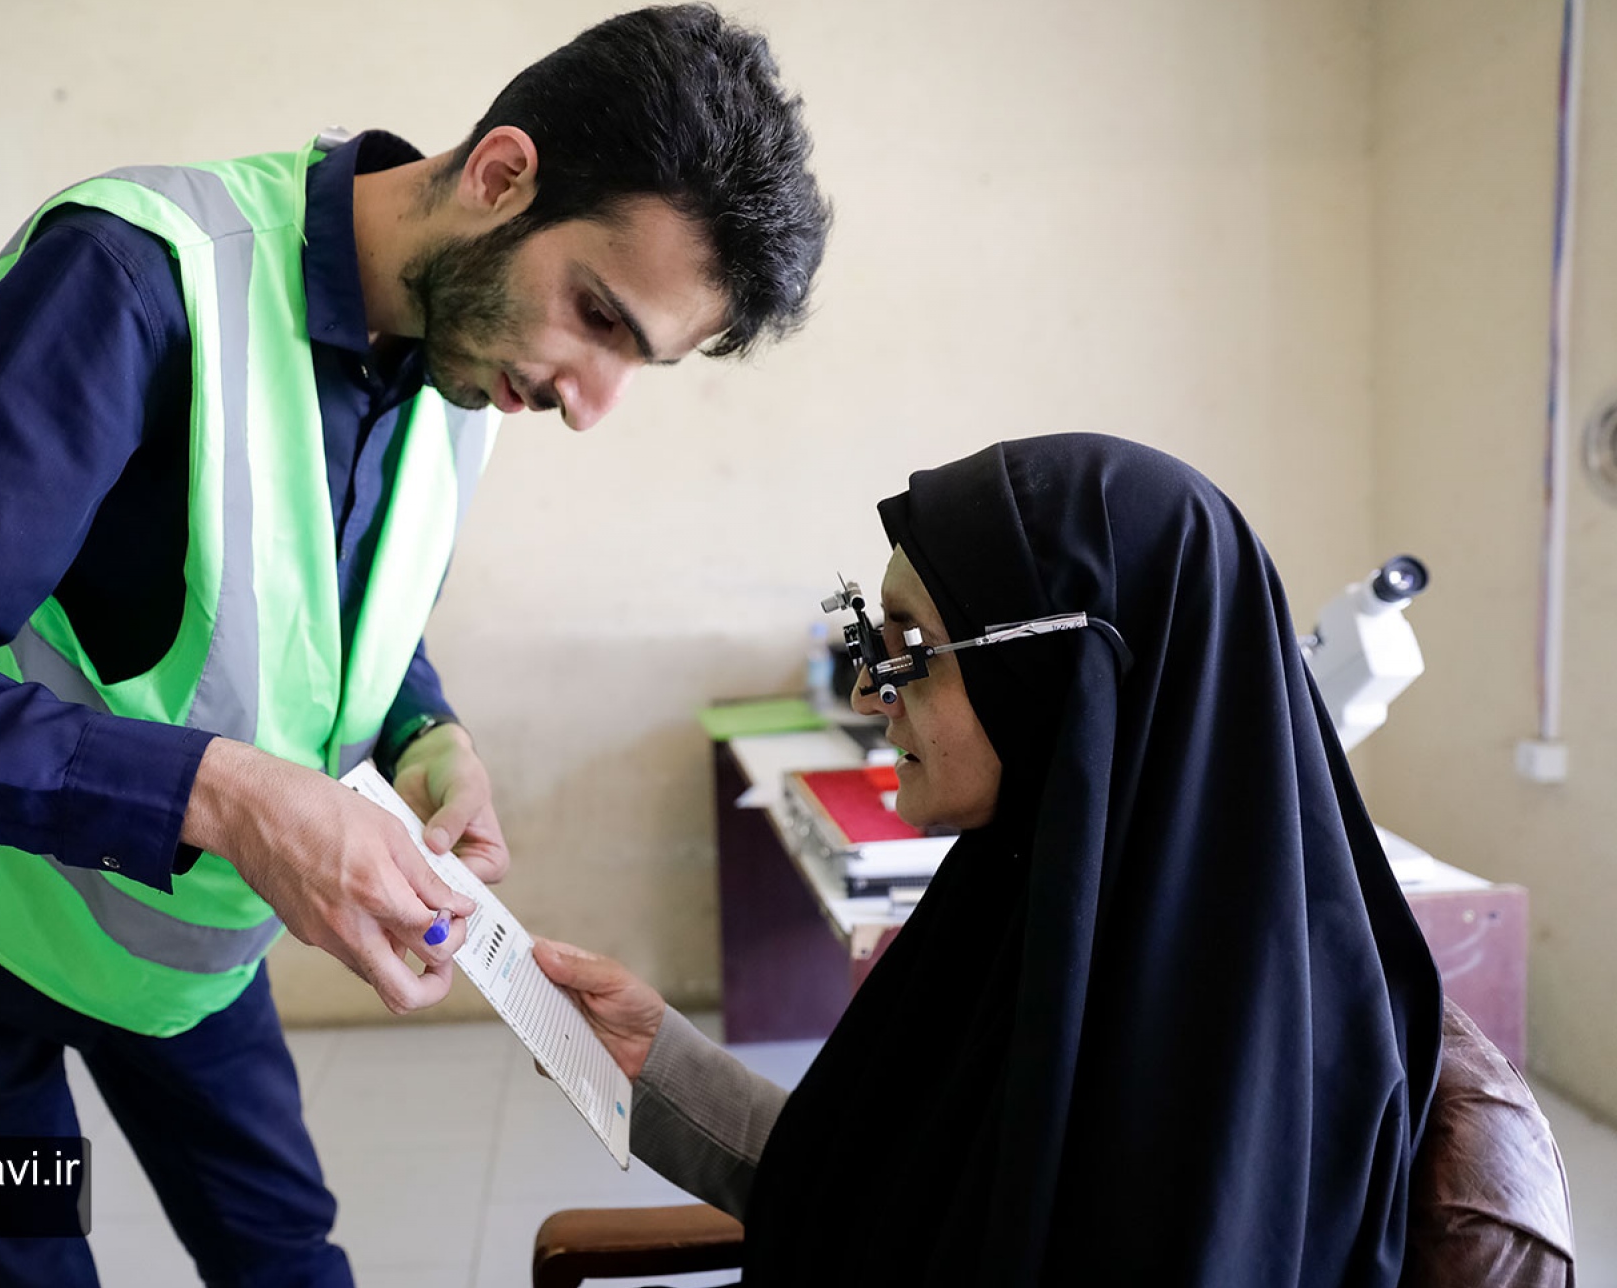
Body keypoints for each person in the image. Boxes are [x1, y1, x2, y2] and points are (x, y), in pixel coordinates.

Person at [0, 3, 830, 1288]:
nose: (589, 405)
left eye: (637, 360)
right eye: (596, 316)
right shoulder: (133, 277)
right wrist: (226, 795)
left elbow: (314, 591)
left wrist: (426, 728)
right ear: (499, 176)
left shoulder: (467, 349)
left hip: (184, 951)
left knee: (287, 1262)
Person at [536, 434, 1446, 1286]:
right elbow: (908, 1198)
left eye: (911, 651)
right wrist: (660, 1065)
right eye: (871, 638)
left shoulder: (1240, 1062)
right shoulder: (1024, 892)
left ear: (1062, 682)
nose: (866, 690)